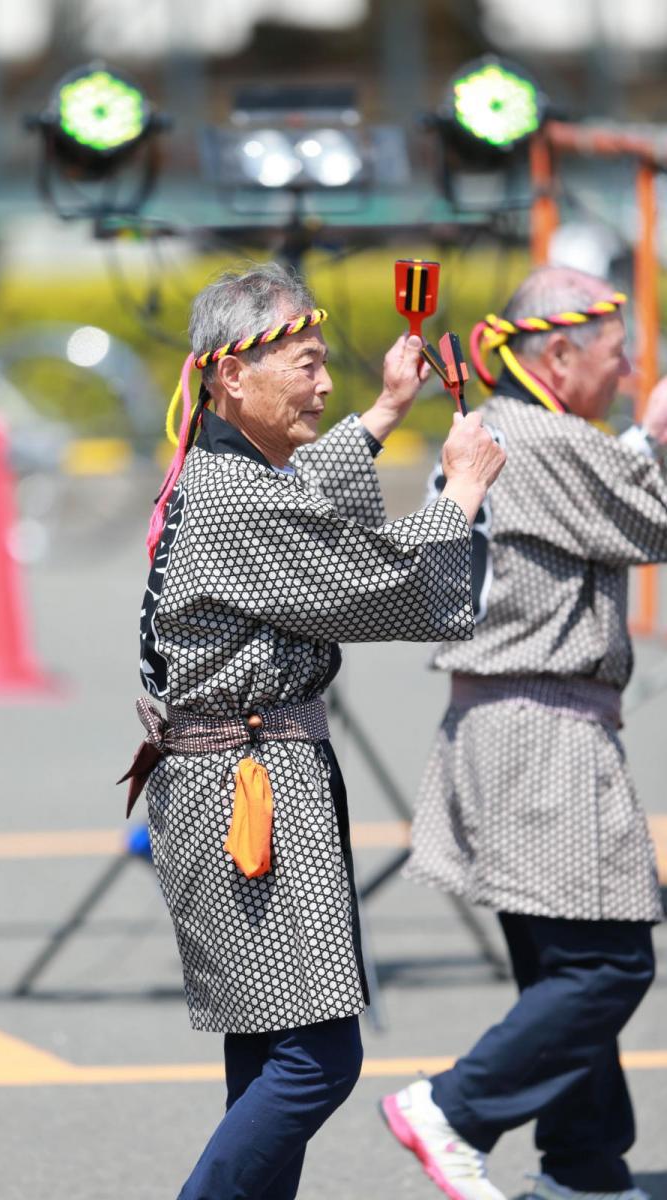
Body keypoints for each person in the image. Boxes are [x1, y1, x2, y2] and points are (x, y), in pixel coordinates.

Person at [126, 261, 505, 1200]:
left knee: (267, 1052)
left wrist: (384, 413)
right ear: (229, 377)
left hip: (237, 778)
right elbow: (380, 585)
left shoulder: (226, 471)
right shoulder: (235, 498)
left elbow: (301, 497)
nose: (323, 382)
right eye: (302, 364)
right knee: (315, 1058)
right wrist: (456, 492)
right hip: (246, 789)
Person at [381, 266, 667, 1200]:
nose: (626, 374)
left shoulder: (516, 431)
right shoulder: (546, 437)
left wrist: (638, 440)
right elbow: (653, 523)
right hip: (543, 725)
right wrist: (658, 440)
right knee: (607, 963)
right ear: (557, 353)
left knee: (561, 958)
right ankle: (456, 1108)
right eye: (617, 356)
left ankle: (583, 1168)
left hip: (501, 719)